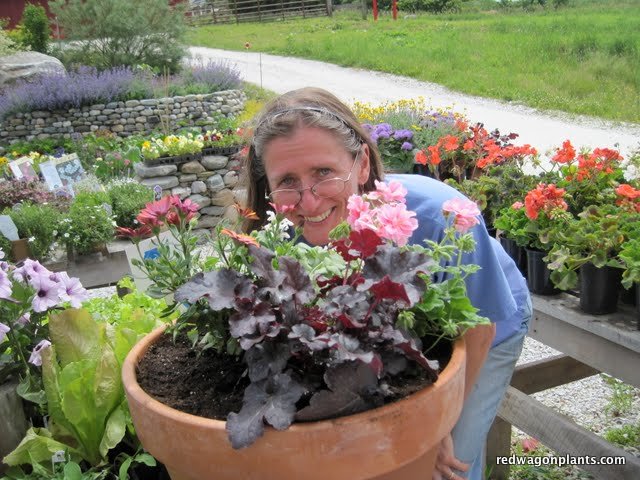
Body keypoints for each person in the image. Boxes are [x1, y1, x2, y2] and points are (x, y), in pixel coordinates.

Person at [242, 87, 531, 480]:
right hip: (409, 335)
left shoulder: (438, 217)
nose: (308, 202)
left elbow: (479, 327)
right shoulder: (284, 235)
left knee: (447, 463)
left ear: (361, 164)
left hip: (485, 325)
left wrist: (439, 425)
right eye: (287, 181)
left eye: (324, 173)